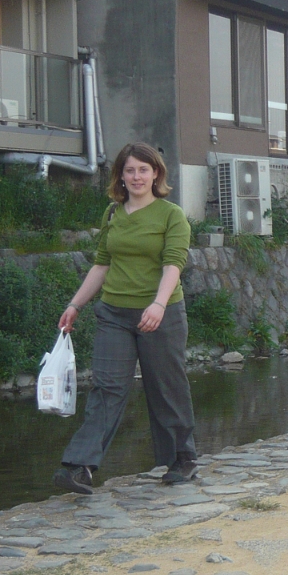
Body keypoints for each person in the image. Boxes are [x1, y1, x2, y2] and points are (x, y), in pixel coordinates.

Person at [53, 143, 197, 494]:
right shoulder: (113, 213)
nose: (136, 177)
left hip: (160, 315)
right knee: (107, 388)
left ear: (156, 174)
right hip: (114, 314)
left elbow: (173, 264)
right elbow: (102, 263)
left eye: (143, 170)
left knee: (166, 387)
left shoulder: (171, 215)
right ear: (120, 175)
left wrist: (159, 305)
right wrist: (75, 305)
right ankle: (80, 466)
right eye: (129, 170)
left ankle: (182, 457)